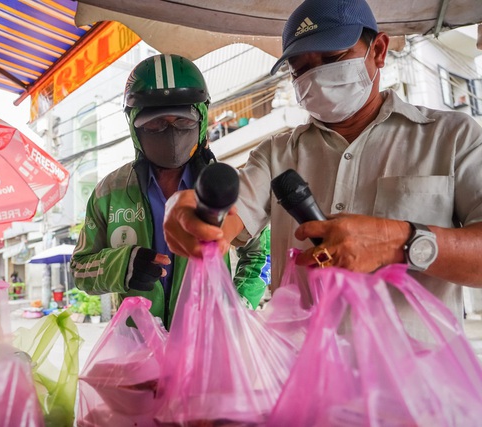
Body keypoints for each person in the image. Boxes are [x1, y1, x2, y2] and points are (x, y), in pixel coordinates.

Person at [163, 0, 482, 337]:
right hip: (302, 378)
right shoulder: (275, 154)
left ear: (379, 50)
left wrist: (398, 241)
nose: (317, 77)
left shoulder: (452, 138)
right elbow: (223, 222)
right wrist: (185, 212)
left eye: (332, 59)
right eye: (301, 69)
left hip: (416, 382)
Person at [71, 53, 270, 328]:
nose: (172, 134)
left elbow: (261, 253)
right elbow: (80, 269)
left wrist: (237, 307)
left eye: (184, 122)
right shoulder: (110, 192)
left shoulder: (226, 186)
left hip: (208, 343)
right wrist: (122, 265)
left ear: (201, 118)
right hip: (138, 345)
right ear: (133, 124)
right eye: (155, 123)